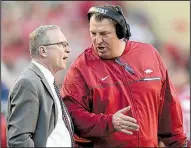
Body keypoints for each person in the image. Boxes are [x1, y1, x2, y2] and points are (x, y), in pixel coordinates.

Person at [61, 4, 188, 147]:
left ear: (121, 32)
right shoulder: (81, 68)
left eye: (104, 34)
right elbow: (70, 116)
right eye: (93, 33)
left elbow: (168, 105)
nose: (97, 40)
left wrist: (177, 143)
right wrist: (108, 122)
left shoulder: (149, 54)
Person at [6, 25, 74, 147]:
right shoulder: (28, 83)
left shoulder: (47, 81)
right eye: (61, 44)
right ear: (43, 51)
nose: (68, 49)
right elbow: (19, 140)